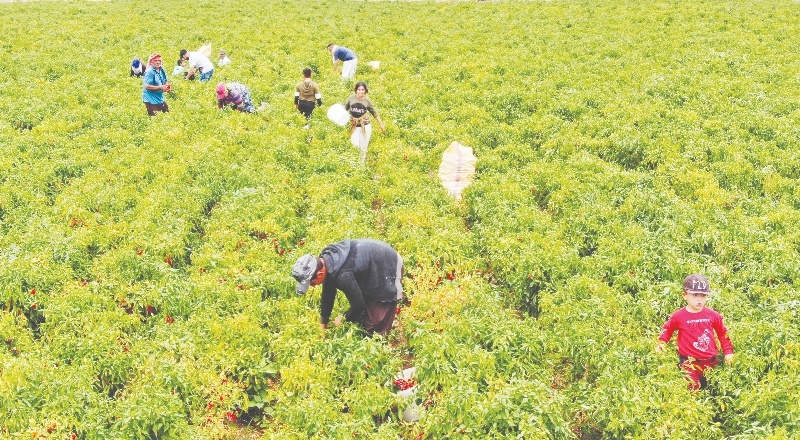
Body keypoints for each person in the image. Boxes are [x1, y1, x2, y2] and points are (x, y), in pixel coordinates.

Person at [292, 239, 403, 336]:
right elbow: (328, 292)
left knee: (374, 329)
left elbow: (358, 306)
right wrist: (323, 322)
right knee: (362, 315)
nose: (313, 286)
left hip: (389, 264)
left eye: (312, 283)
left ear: (320, 274)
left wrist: (344, 319)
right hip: (373, 262)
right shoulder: (326, 260)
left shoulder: (343, 275)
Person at [656, 274, 734, 390]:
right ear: (685, 295)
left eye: (703, 296)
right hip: (689, 364)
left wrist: (728, 352)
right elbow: (667, 330)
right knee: (693, 390)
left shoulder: (713, 315)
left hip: (711, 363)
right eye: (695, 295)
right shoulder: (678, 316)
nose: (699, 299)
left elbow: (723, 334)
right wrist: (662, 343)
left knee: (716, 390)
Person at [345, 82, 385, 163]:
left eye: (362, 90)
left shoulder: (367, 101)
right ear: (356, 90)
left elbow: (374, 113)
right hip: (354, 126)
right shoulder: (351, 98)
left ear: (365, 91)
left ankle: (361, 164)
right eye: (359, 89)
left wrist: (381, 125)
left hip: (365, 126)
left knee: (363, 146)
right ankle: (354, 163)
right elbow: (345, 109)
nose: (360, 91)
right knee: (354, 145)